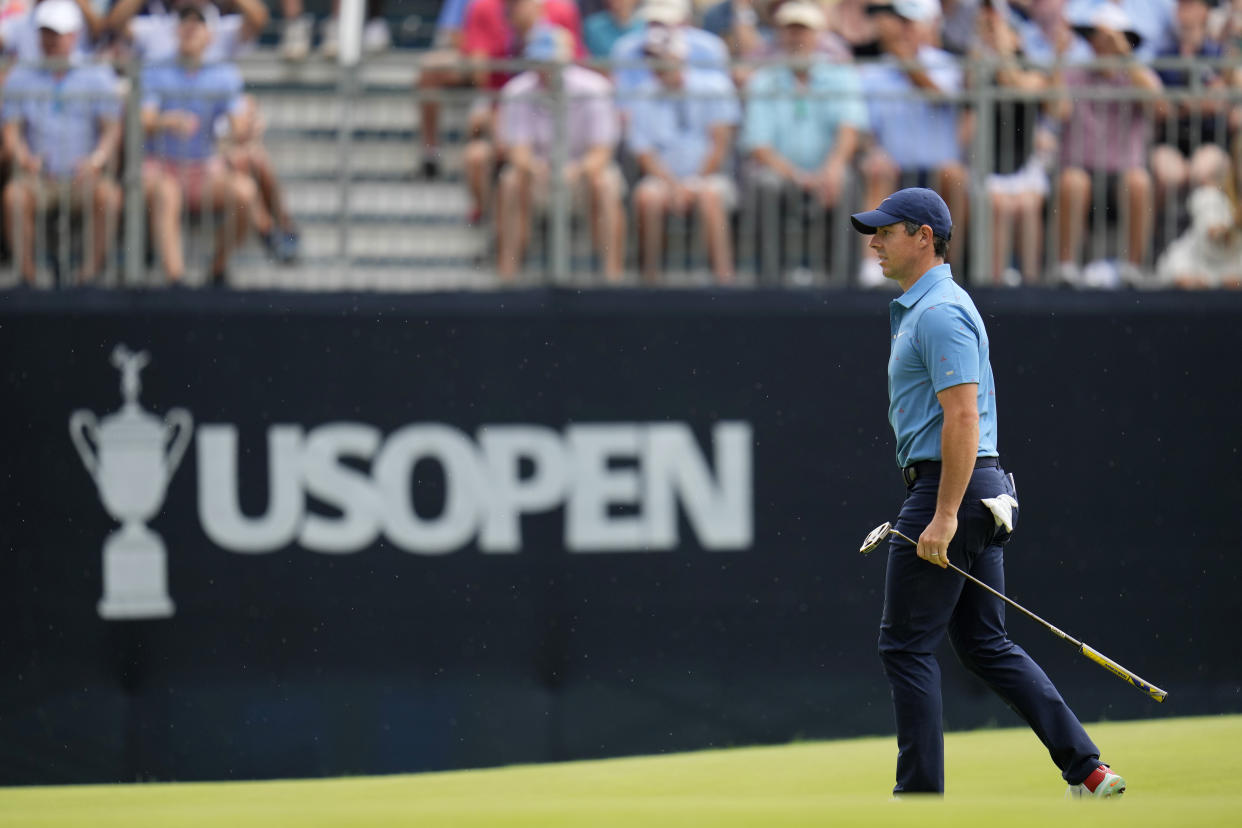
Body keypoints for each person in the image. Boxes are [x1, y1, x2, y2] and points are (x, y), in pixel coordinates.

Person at [849, 186, 1126, 799]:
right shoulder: (925, 308)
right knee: (984, 642)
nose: (874, 242)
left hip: (952, 489)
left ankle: (918, 797)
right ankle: (1088, 769)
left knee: (904, 646)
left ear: (924, 236)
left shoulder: (941, 310)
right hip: (975, 489)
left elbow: (963, 419)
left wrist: (943, 514)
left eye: (886, 231)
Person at [141, 3, 273, 284]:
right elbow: (144, 121)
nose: (190, 26)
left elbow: (238, 127)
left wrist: (248, 127)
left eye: (197, 22)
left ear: (210, 36)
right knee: (167, 192)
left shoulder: (223, 74)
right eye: (185, 21)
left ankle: (216, 268)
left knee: (245, 193)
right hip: (161, 167)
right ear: (176, 31)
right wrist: (168, 122)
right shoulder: (155, 69)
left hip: (200, 168)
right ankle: (175, 281)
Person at [740, 0, 867, 283]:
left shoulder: (841, 75)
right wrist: (798, 176)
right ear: (780, 35)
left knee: (845, 180)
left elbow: (849, 130)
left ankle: (845, 282)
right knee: (766, 184)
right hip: (783, 174)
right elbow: (759, 145)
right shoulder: (763, 80)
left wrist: (830, 170)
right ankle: (770, 282)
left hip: (826, 172)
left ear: (817, 35)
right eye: (790, 30)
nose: (797, 37)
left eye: (804, 30)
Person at [1, 0, 121, 284]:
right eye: (46, 32)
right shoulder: (21, 76)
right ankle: (29, 279)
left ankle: (87, 276)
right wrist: (24, 158)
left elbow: (111, 129)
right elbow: (11, 130)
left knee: (109, 196)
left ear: (74, 34)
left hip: (83, 176)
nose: (51, 40)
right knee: (14, 197)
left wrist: (97, 160)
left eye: (58, 33)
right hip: (39, 176)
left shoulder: (97, 75)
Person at [493, 24, 625, 281]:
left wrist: (575, 171)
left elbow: (601, 152)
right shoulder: (518, 91)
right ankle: (507, 277)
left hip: (582, 173)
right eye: (539, 62)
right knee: (511, 182)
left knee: (606, 184)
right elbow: (518, 152)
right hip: (538, 174)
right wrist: (536, 169)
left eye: (550, 62)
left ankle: (612, 277)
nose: (544, 69)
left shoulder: (594, 88)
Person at [857, 0, 969, 286]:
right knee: (877, 168)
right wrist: (873, 151)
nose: (902, 29)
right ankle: (870, 269)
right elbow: (865, 130)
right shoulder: (873, 72)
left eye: (909, 22)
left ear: (928, 26)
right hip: (894, 171)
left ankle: (947, 266)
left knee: (955, 175)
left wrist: (907, 64)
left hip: (937, 172)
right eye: (899, 22)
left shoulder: (946, 64)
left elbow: (940, 96)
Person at [1055, 3, 1164, 286]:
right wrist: (1057, 57)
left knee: (1138, 181)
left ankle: (1133, 269)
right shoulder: (1074, 74)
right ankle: (1066, 269)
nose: (1102, 46)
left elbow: (1160, 105)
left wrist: (1125, 54)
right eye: (1097, 39)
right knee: (1072, 181)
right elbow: (1058, 110)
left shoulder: (1137, 76)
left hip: (1123, 174)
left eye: (1110, 40)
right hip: (1082, 169)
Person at [627, 24, 741, 282]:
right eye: (652, 58)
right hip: (664, 179)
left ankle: (725, 282)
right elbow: (644, 152)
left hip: (709, 176)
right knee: (647, 196)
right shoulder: (643, 93)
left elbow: (719, 143)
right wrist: (674, 185)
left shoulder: (714, 86)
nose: (657, 65)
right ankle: (650, 282)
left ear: (679, 57)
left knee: (710, 195)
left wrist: (693, 182)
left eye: (662, 57)